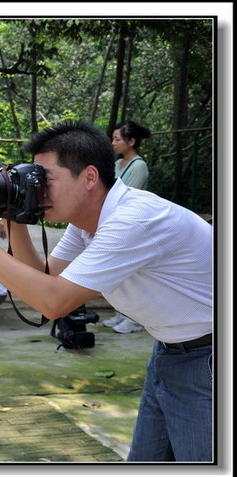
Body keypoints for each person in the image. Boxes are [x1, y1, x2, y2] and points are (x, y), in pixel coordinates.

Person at [0, 120, 212, 462]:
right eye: (33, 181)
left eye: (45, 181)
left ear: (88, 178)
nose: (37, 190)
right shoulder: (86, 223)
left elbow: (54, 302)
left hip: (207, 358)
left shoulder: (133, 220)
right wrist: (14, 217)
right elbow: (41, 277)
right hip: (169, 352)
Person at [104, 120, 153, 334]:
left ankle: (134, 319)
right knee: (119, 275)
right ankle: (122, 314)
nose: (113, 143)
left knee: (132, 275)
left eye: (117, 139)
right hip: (114, 222)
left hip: (130, 224)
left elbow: (127, 195)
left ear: (131, 141)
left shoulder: (139, 166)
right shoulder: (118, 164)